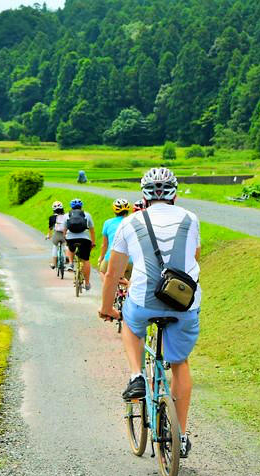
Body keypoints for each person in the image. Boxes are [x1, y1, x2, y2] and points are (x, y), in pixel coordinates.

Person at [99, 167, 200, 458]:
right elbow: (193, 258)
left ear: (143, 196)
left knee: (131, 325)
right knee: (179, 363)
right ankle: (179, 435)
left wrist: (107, 308)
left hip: (143, 300)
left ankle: (136, 375)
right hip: (183, 302)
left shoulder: (129, 223)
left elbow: (112, 273)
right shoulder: (190, 219)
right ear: (174, 194)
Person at [98, 198, 133, 283]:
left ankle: (107, 291)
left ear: (114, 211)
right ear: (128, 210)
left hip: (111, 258)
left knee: (102, 271)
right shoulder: (133, 221)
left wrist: (101, 258)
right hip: (130, 260)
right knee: (129, 280)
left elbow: (104, 245)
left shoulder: (108, 223)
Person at [65, 198, 95, 290]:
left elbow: (64, 230)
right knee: (86, 260)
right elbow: (92, 230)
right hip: (84, 239)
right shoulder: (87, 215)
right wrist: (93, 242)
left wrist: (65, 238)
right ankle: (87, 283)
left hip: (71, 239)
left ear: (71, 207)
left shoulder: (67, 215)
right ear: (81, 206)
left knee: (70, 248)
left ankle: (70, 264)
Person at [46, 201, 68, 269]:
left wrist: (49, 236)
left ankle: (54, 264)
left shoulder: (51, 217)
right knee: (65, 246)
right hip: (64, 235)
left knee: (55, 247)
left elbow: (50, 228)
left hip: (56, 235)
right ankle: (68, 258)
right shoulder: (66, 216)